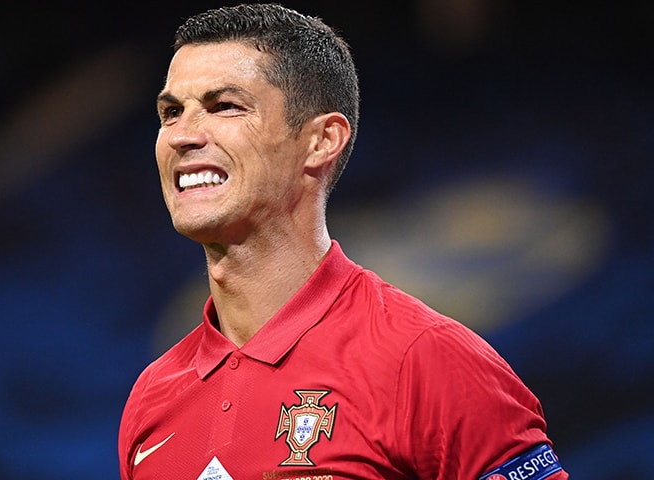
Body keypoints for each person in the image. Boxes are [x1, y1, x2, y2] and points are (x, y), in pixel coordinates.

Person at [118, 3, 568, 479]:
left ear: (321, 141)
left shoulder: (426, 360)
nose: (182, 135)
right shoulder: (153, 396)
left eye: (224, 106)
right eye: (171, 112)